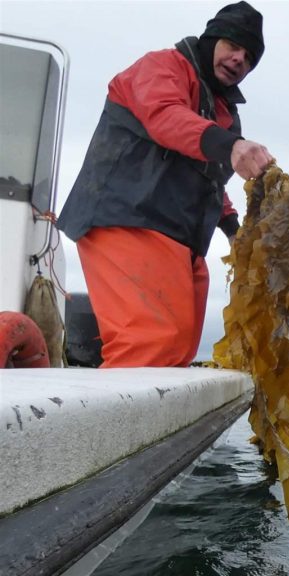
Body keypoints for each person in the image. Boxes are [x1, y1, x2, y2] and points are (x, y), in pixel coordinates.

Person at [57, 1, 275, 368]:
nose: (240, 59)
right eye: (233, 45)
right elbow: (165, 117)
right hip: (126, 220)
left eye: (250, 57)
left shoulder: (223, 113)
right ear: (211, 39)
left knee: (177, 351)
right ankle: (118, 426)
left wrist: (233, 229)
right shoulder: (163, 67)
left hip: (182, 241)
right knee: (147, 344)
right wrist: (231, 145)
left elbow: (207, 178)